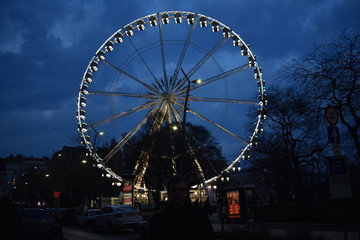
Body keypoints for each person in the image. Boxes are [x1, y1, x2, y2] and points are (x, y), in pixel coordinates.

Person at [150, 175, 216, 240]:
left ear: (187, 192)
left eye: (181, 190)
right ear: (168, 192)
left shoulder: (201, 215)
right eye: (174, 190)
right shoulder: (157, 219)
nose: (178, 193)